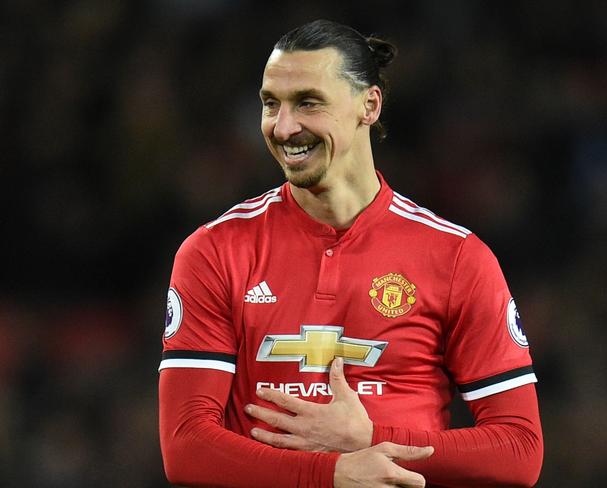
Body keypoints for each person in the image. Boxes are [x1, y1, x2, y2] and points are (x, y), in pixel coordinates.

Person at [158, 19, 543, 487]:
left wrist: (368, 437)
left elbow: (519, 451)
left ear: (369, 104)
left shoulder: (457, 257)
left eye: (308, 103)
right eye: (270, 104)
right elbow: (185, 446)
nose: (283, 127)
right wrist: (332, 473)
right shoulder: (215, 251)